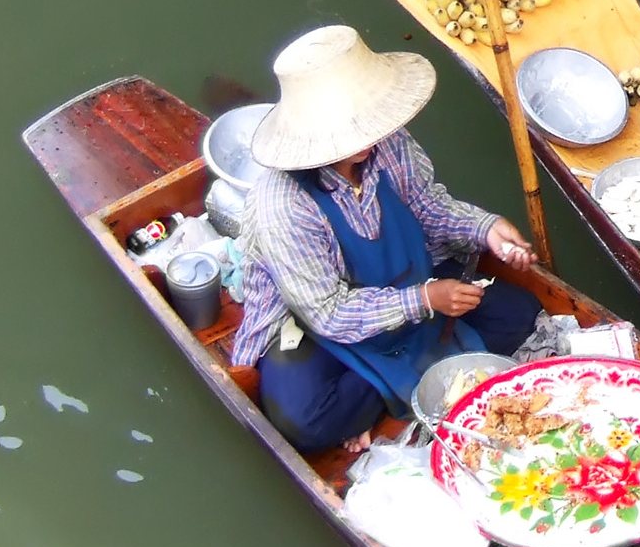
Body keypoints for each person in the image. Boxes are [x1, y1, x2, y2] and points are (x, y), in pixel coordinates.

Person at [231, 25, 544, 454]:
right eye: (352, 133)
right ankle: (401, 384)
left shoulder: (385, 145)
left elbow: (428, 207)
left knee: (519, 313)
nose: (368, 141)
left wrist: (485, 228)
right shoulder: (283, 205)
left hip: (405, 281)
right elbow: (327, 313)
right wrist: (426, 299)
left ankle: (386, 394)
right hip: (319, 325)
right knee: (305, 424)